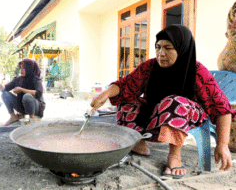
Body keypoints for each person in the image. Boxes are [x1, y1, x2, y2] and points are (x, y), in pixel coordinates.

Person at [90, 25, 236, 179]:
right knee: (127, 100)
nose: (161, 53)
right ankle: (136, 140)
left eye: (168, 48)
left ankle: (174, 156)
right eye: (158, 47)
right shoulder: (150, 66)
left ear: (182, 48)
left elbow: (222, 109)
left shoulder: (197, 71)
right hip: (156, 110)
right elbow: (125, 85)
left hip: (187, 115)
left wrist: (222, 145)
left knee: (175, 102)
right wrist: (105, 94)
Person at [0, 59, 45, 126]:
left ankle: (31, 118)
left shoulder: (36, 79)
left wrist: (22, 90)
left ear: (29, 68)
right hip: (23, 107)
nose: (21, 70)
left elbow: (38, 93)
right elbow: (5, 88)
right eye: (20, 68)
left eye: (24, 68)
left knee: (27, 96)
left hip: (36, 108)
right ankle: (13, 116)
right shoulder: (18, 79)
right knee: (4, 94)